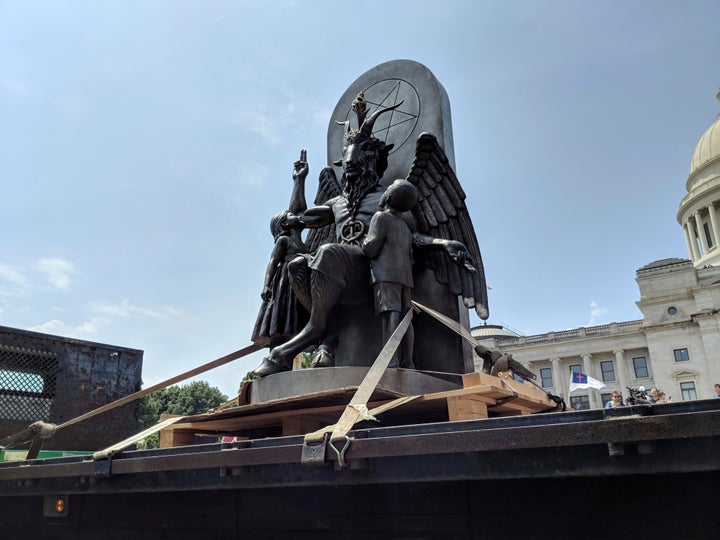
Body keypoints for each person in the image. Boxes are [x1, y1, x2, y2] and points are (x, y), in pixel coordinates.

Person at [362, 179, 417, 369]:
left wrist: (363, 241)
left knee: (390, 314)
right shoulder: (405, 226)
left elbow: (371, 247)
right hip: (405, 276)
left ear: (390, 196)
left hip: (385, 273)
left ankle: (391, 360)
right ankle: (408, 361)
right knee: (406, 317)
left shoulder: (380, 217)